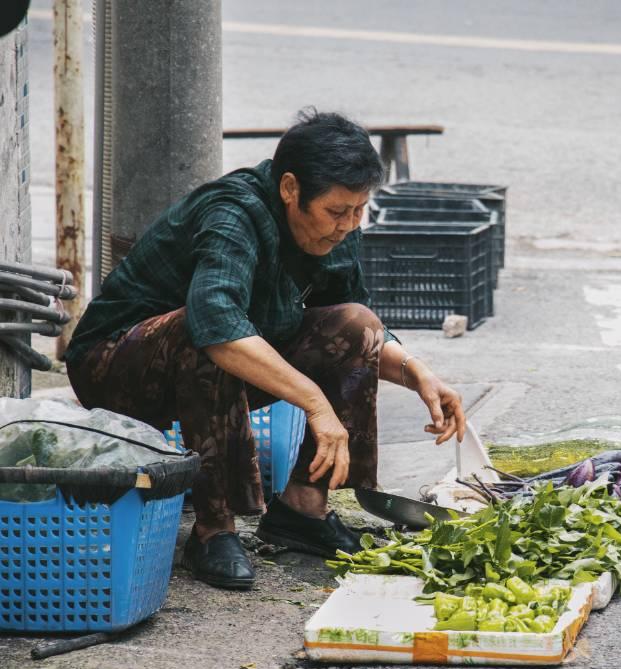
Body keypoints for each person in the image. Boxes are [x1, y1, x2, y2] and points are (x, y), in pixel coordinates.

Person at [64, 109, 466, 590]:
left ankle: (302, 510)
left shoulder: (336, 230)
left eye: (359, 210)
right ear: (291, 189)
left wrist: (419, 373)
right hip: (113, 365)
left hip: (215, 361)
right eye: (337, 211)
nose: (348, 224)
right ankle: (213, 528)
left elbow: (352, 318)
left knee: (358, 325)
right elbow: (216, 325)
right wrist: (314, 403)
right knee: (206, 331)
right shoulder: (233, 213)